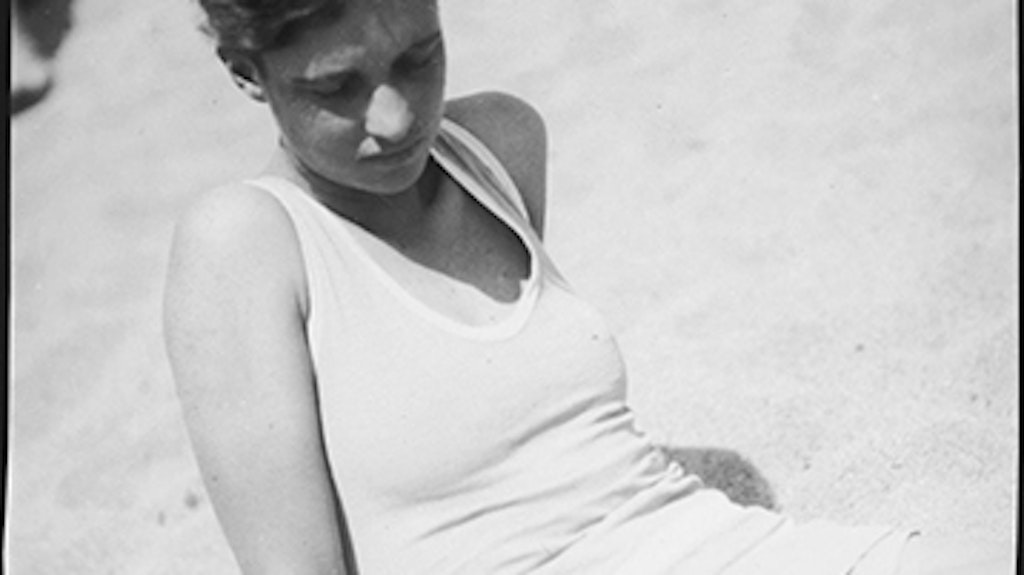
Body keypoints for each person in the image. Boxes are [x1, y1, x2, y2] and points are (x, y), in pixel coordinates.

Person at [163, 1, 1011, 573]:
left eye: (419, 59)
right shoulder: (245, 243)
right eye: (337, 88)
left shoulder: (497, 145)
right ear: (247, 73)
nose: (395, 116)